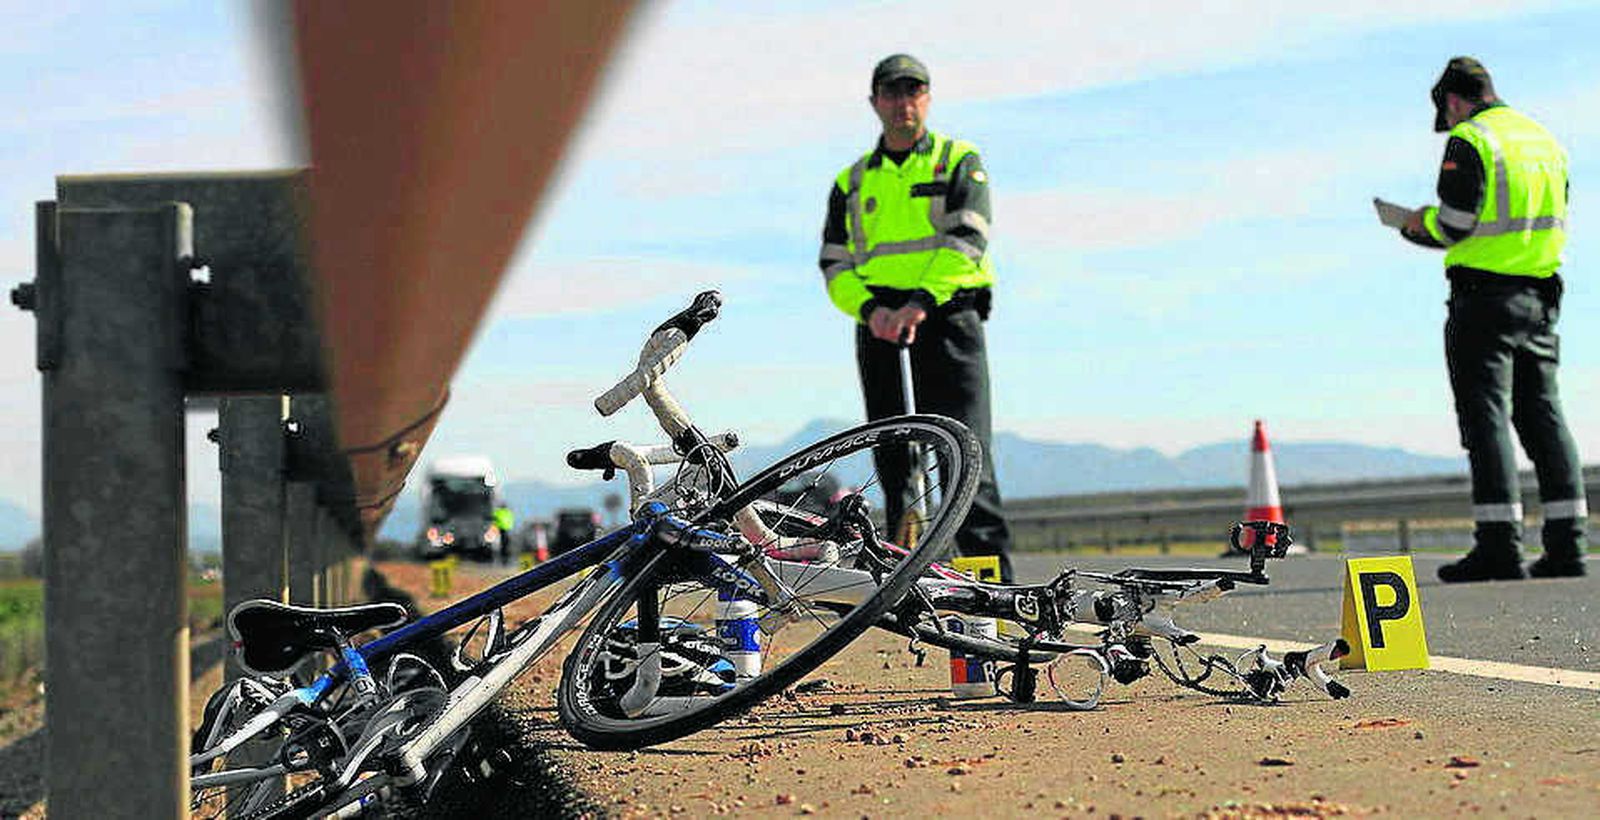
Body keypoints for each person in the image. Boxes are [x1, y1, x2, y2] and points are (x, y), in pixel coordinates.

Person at [1389, 57, 1587, 581]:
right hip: (1541, 294)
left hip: (1482, 297)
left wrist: (1413, 225)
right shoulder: (1544, 140)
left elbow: (1454, 224)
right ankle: (1568, 546)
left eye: (1446, 115)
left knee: (1487, 418)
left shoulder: (1473, 140)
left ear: (1453, 101)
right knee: (1544, 415)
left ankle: (1501, 546)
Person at [817, 53, 1013, 581]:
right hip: (879, 319)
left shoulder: (958, 160)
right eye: (893, 92)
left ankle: (994, 600)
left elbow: (968, 239)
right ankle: (910, 583)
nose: (904, 102)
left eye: (915, 91)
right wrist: (873, 311)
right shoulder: (852, 182)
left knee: (965, 456)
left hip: (946, 314)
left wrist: (918, 305)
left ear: (927, 97)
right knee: (893, 458)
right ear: (875, 102)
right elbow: (834, 263)